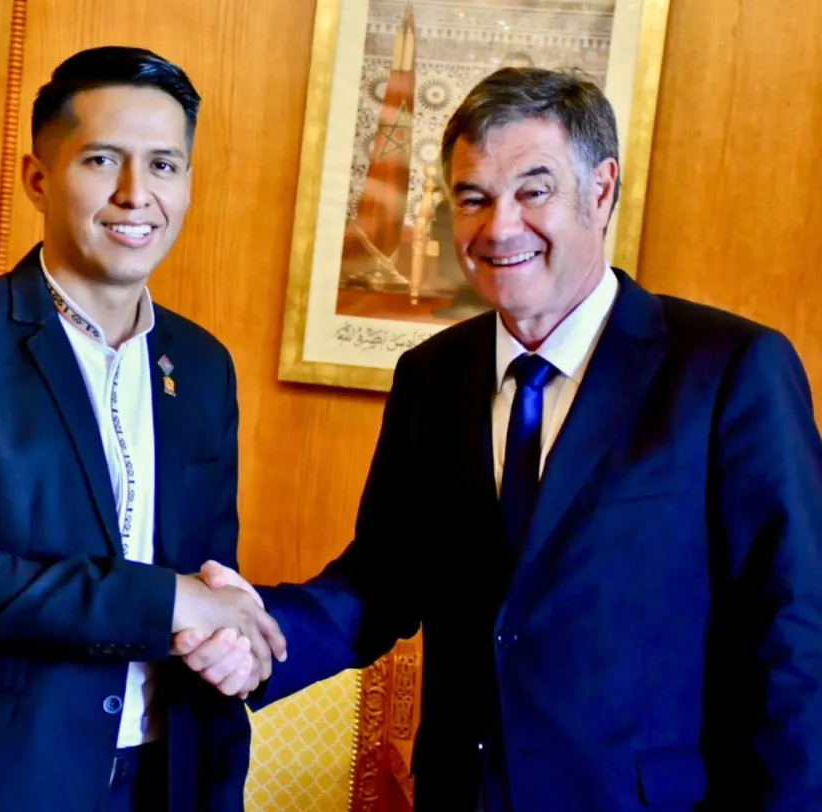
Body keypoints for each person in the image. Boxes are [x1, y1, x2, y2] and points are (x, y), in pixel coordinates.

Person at [174, 67, 822, 810]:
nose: (499, 227)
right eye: (473, 199)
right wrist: (257, 629)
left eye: (533, 191)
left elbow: (796, 634)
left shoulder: (728, 369)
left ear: (602, 189)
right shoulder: (431, 377)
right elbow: (382, 582)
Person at [0, 46, 284, 812]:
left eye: (164, 165)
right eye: (101, 160)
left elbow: (207, 570)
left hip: (169, 772)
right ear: (38, 177)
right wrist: (167, 603)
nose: (136, 195)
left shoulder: (202, 364)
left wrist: (232, 642)